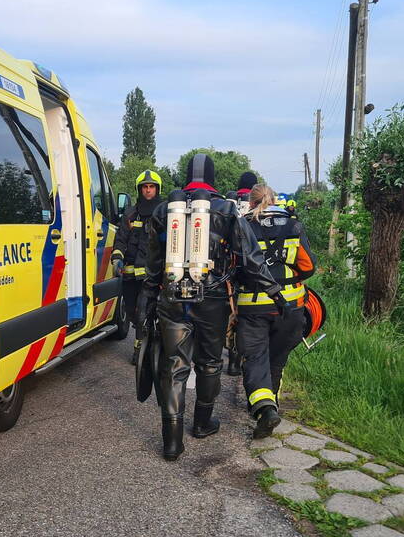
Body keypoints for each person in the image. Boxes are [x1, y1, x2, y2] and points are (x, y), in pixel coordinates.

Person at [138, 154, 285, 461]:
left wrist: (148, 303)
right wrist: (274, 292)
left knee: (174, 366)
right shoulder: (227, 209)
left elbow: (153, 265)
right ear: (214, 178)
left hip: (172, 297)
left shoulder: (166, 210)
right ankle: (202, 424)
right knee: (209, 362)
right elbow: (250, 257)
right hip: (213, 299)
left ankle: (172, 442)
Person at [236, 183, 316, 436]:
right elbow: (308, 266)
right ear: (273, 200)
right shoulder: (293, 225)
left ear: (250, 202)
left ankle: (265, 409)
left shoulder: (242, 226)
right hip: (291, 307)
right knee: (277, 359)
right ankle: (271, 406)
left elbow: (234, 266)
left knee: (255, 358)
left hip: (253, 306)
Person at [112, 169, 164, 364]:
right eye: (145, 187)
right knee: (133, 312)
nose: (148, 190)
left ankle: (140, 351)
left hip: (152, 276)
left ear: (157, 189)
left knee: (144, 312)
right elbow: (121, 239)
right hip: (130, 274)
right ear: (139, 189)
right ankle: (145, 340)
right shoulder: (130, 213)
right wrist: (117, 258)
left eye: (151, 187)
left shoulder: (163, 213)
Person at [225, 172, 258, 376]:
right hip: (248, 270)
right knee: (245, 315)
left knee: (232, 313)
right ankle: (240, 359)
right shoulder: (255, 204)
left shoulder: (229, 202)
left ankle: (231, 359)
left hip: (228, 270)